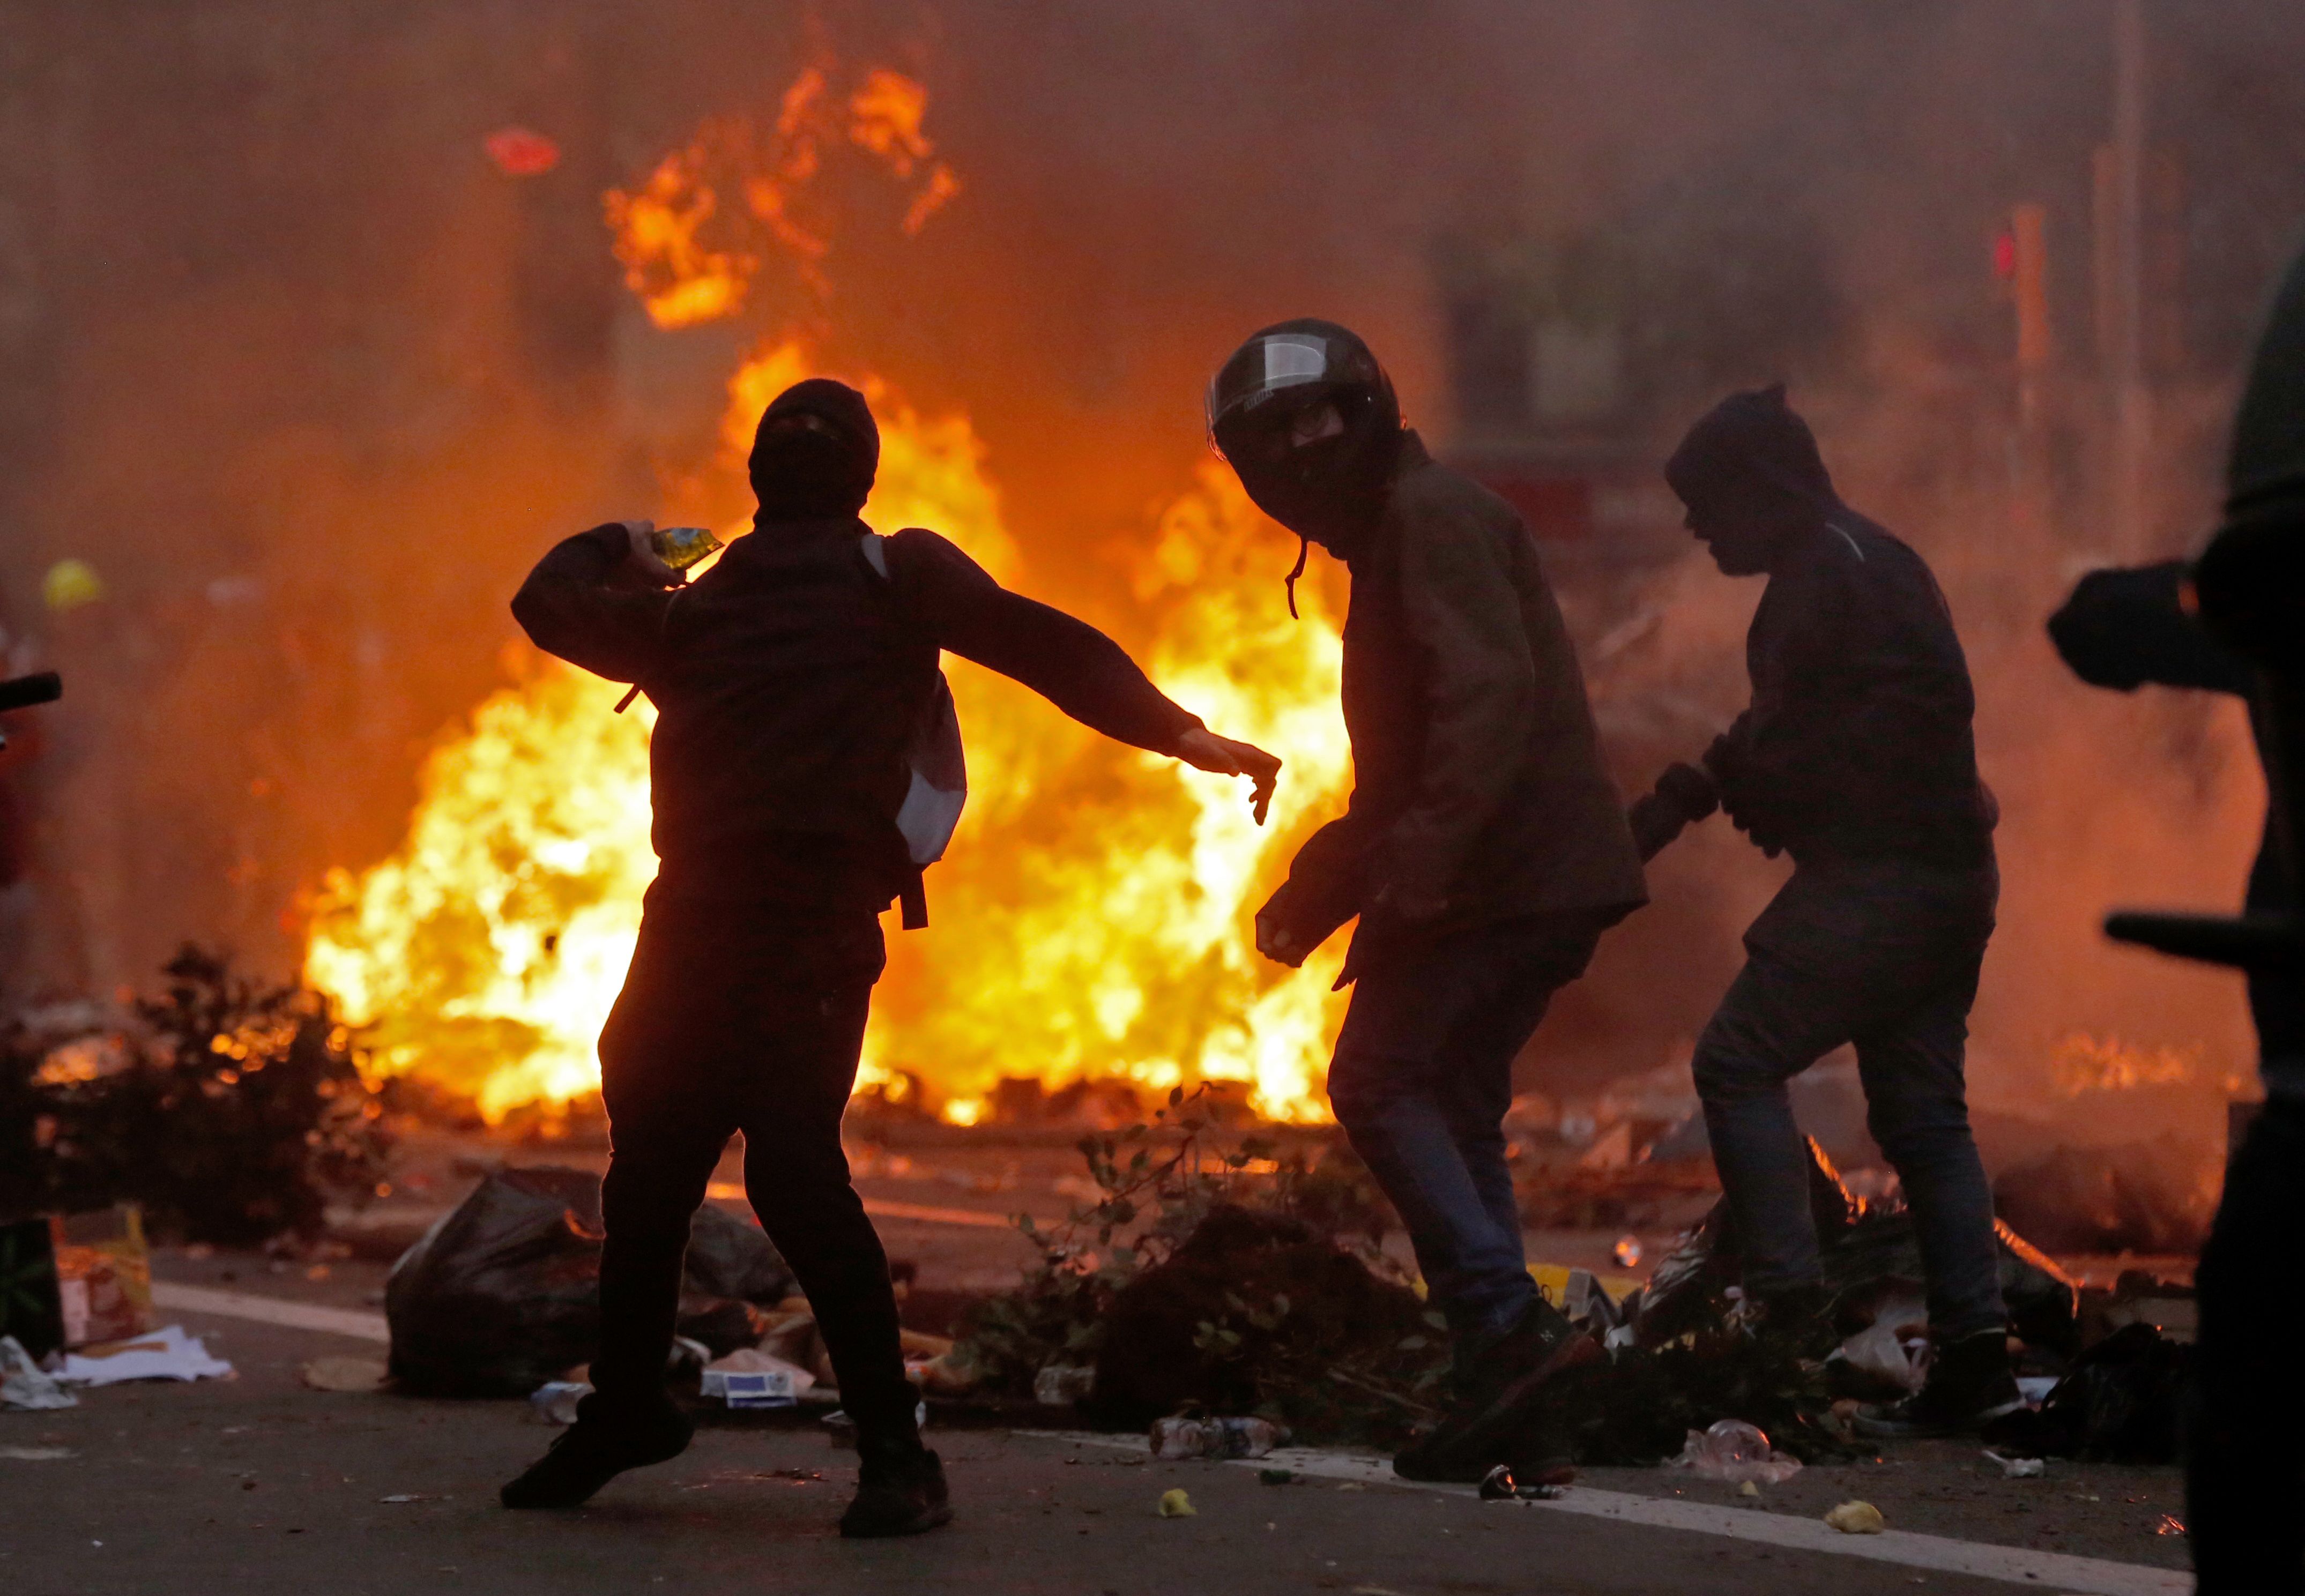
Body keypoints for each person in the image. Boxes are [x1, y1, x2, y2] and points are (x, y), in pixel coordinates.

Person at [499, 377, 1281, 1535]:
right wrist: (1180, 732)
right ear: (863, 483)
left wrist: (637, 542)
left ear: (755, 486)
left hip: (713, 920)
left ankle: (720, 1423)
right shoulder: (887, 573)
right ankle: (835, 1449)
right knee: (753, 1175)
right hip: (777, 921)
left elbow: (549, 598)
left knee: (672, 1176)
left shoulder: (694, 602)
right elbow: (1043, 645)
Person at [1212, 319, 1648, 1481]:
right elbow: (1411, 766)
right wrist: (1327, 883)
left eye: (1315, 427)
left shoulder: (1432, 519)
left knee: (1376, 1077)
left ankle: (1504, 1330)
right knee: (1452, 1102)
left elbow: (1485, 701)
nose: (1300, 459)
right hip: (1514, 872)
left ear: (1366, 412)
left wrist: (1421, 869)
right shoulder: (1402, 531)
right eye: (1275, 445)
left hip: (1505, 876)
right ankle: (1510, 1383)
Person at [1642, 384, 2014, 1438]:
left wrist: (1781, 786)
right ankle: (1976, 1362)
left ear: (1763, 491)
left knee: (1735, 1060)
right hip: (1945, 882)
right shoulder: (1849, 564)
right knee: (1921, 1115)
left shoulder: (1833, 573)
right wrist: (1684, 799)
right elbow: (1786, 727)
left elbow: (1895, 723)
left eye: (1707, 503)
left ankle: (1784, 1332)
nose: (1694, 528)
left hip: (1887, 884)